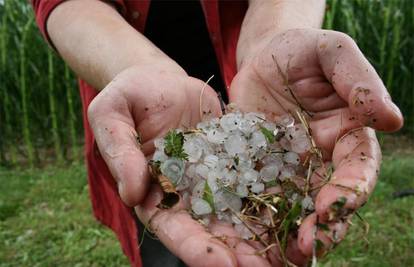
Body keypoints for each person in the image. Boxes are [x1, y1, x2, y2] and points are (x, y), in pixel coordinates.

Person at [31, 0, 403, 266]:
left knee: (259, 244)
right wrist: (138, 65)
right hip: (145, 122)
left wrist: (275, 36)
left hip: (260, 90)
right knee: (165, 233)